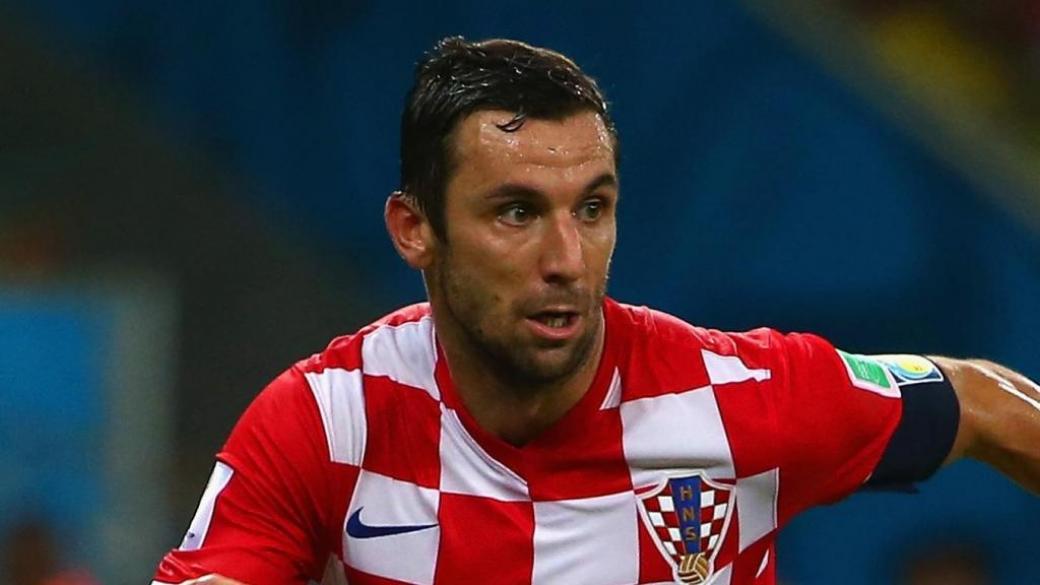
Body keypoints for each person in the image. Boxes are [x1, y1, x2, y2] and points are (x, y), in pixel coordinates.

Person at [151, 37, 1040, 585]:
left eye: (592, 208)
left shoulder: (743, 397)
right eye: (516, 212)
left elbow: (983, 403)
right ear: (414, 229)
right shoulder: (327, 422)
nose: (567, 259)